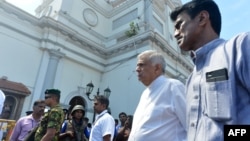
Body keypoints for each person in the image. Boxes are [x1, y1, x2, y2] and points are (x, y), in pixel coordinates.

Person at [169, 0, 250, 141]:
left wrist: (228, 134)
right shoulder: (190, 80)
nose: (175, 33)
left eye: (179, 25)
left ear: (202, 18)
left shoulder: (240, 47)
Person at [128, 50, 186, 141]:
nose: (137, 69)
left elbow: (192, 126)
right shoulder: (144, 94)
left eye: (141, 65)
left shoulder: (173, 86)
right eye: (137, 65)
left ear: (157, 68)